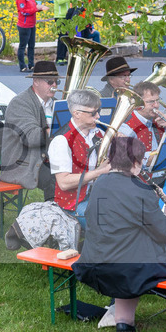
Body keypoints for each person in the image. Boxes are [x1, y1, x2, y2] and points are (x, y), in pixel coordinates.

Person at [72, 136, 166, 332]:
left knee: (129, 254)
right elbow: (165, 232)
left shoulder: (100, 183)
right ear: (135, 163)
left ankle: (124, 321)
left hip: (95, 262)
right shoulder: (141, 191)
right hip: (126, 270)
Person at [48, 88, 111, 228]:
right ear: (77, 113)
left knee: (130, 213)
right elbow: (63, 182)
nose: (98, 116)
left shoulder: (98, 132)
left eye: (98, 111)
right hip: (73, 204)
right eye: (93, 113)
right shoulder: (61, 141)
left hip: (96, 195)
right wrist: (98, 172)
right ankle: (94, 249)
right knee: (108, 224)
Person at [0, 60, 59, 201]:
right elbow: (31, 138)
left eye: (57, 82)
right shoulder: (19, 103)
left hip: (46, 157)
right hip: (23, 162)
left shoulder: (56, 103)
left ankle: (73, 212)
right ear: (36, 81)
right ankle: (55, 216)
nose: (55, 85)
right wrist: (58, 131)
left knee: (78, 173)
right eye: (50, 82)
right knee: (56, 180)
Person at [117, 81, 166, 156]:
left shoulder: (158, 119)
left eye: (157, 100)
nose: (156, 105)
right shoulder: (126, 126)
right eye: (151, 102)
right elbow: (128, 158)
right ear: (138, 102)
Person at [15, 0, 48, 72]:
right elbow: (24, 11)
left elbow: (33, 8)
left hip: (32, 24)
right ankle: (22, 66)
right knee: (22, 46)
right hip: (24, 25)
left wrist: (40, 8)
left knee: (31, 46)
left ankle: (31, 65)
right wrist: (37, 8)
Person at [52, 0, 77, 65]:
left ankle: (64, 57)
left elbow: (72, 0)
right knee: (62, 37)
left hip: (68, 15)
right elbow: (60, 1)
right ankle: (59, 58)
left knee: (67, 36)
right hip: (60, 16)